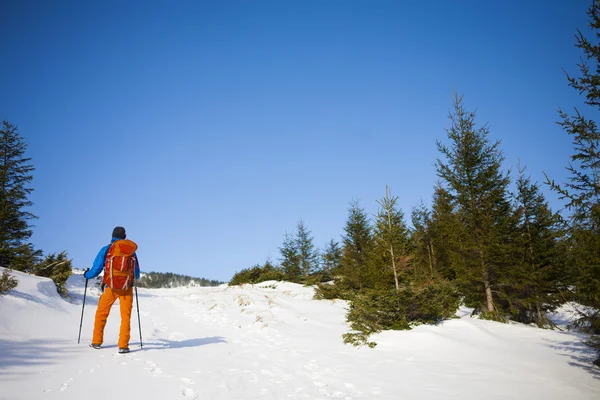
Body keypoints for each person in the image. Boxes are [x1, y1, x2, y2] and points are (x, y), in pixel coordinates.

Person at [84, 226, 140, 353]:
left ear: (112, 236)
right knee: (125, 317)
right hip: (127, 288)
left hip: (111, 287)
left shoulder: (107, 249)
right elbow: (136, 273)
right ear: (124, 236)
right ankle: (123, 345)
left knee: (101, 314)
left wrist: (87, 275)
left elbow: (96, 269)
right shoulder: (131, 252)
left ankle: (97, 341)